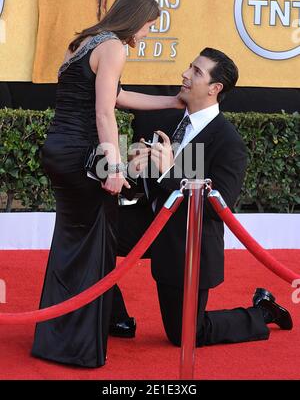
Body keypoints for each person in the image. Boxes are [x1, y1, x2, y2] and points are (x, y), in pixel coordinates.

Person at [31, 0, 184, 368]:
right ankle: (76, 346)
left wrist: (171, 100)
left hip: (58, 150)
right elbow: (104, 114)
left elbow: (114, 96)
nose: (148, 33)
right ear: (137, 19)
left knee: (73, 242)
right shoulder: (115, 46)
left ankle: (58, 334)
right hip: (85, 154)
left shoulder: (83, 42)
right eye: (150, 26)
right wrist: (114, 167)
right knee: (94, 246)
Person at [110, 47, 293, 345]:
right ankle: (114, 317)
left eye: (196, 72)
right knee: (93, 233)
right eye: (189, 67)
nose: (184, 74)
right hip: (149, 222)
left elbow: (217, 205)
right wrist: (134, 168)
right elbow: (149, 180)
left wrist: (169, 170)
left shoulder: (228, 142)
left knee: (185, 335)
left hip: (188, 241)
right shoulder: (164, 119)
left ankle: (261, 312)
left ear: (214, 88)